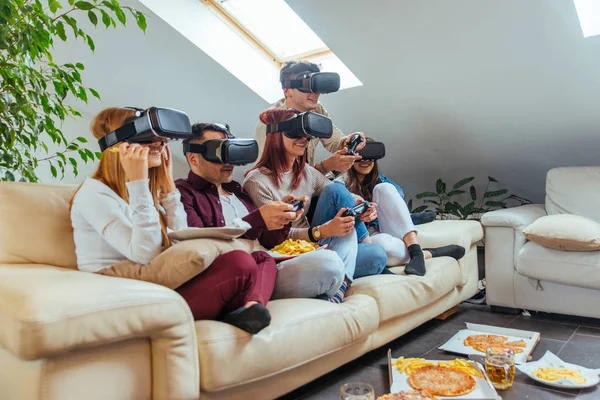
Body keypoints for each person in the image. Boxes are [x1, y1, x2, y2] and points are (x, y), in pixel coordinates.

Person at [70, 107, 276, 334]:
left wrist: (167, 190)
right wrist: (137, 183)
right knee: (240, 262)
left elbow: (181, 240)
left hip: (161, 281)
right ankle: (233, 307)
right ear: (121, 148)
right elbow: (146, 254)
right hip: (131, 290)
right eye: (149, 140)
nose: (159, 145)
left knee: (260, 258)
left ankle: (251, 309)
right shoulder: (95, 194)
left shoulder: (146, 191)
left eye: (161, 140)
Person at [175, 122, 348, 301]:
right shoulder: (183, 192)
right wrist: (257, 219)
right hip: (234, 272)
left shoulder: (237, 191)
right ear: (194, 159)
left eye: (231, 151)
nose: (228, 161)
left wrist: (282, 216)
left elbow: (269, 240)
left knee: (331, 258)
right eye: (219, 152)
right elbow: (199, 246)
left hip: (268, 266)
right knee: (328, 264)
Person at [244, 108, 388, 304]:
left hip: (315, 245)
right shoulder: (257, 181)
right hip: (287, 252)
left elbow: (336, 191)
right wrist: (321, 232)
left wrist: (362, 203)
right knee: (346, 229)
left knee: (377, 254)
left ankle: (340, 283)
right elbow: (276, 237)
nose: (304, 139)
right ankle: (342, 282)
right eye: (295, 133)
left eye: (306, 135)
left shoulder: (305, 172)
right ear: (276, 135)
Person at [337, 138, 466, 276]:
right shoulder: (339, 181)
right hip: (364, 237)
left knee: (384, 188)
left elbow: (398, 195)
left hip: (382, 225)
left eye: (371, 155)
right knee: (384, 247)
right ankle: (429, 253)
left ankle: (415, 251)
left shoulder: (378, 180)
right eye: (360, 156)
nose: (366, 160)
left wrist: (376, 208)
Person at [255, 60, 365, 177]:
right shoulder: (271, 122)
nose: (315, 94)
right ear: (287, 90)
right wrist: (325, 166)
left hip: (310, 183)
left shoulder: (317, 109)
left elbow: (334, 140)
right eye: (307, 87)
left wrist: (347, 142)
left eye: (317, 88)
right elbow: (271, 175)